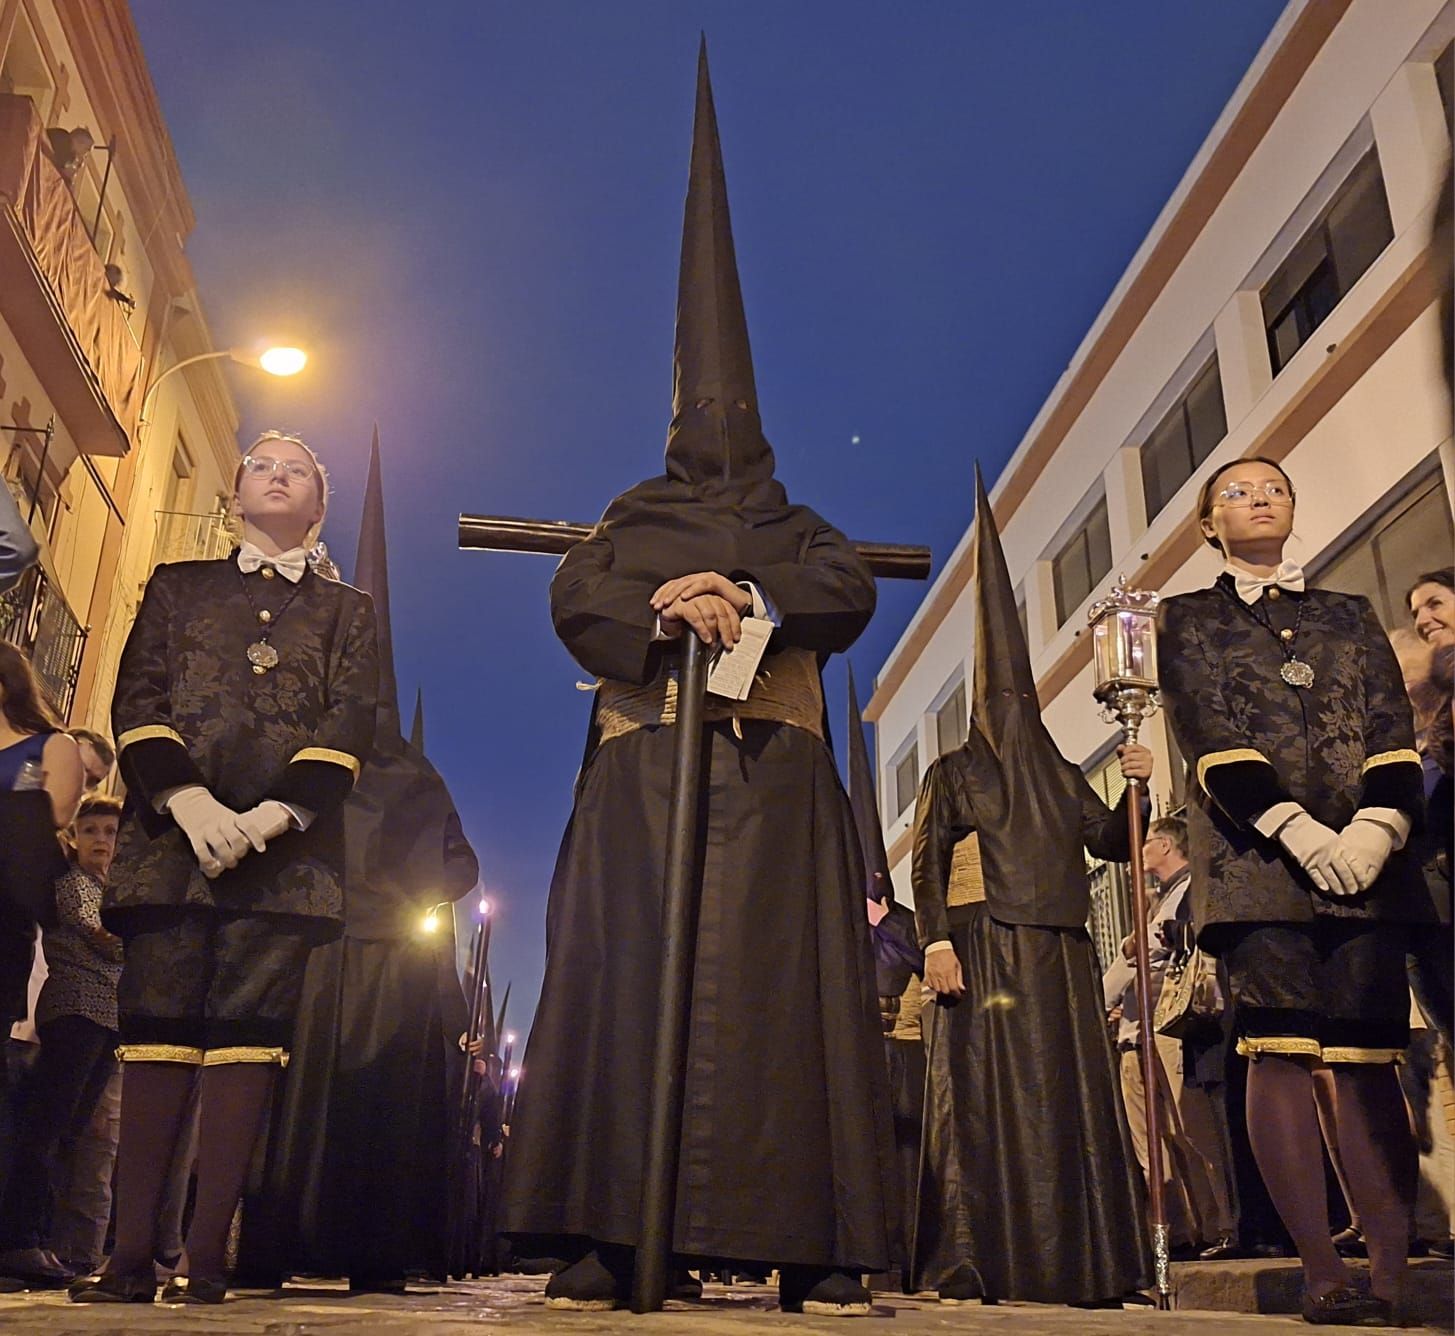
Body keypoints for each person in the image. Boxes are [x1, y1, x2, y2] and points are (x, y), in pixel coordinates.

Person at [501, 46, 894, 1316]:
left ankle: (812, 1239)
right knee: (626, 985)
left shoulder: (801, 522)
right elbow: (579, 598)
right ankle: (618, 1230)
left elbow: (842, 592)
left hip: (774, 786)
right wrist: (667, 605)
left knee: (787, 1006)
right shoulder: (627, 516)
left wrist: (752, 601)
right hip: (643, 787)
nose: (717, 431)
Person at [68, 431, 378, 1305]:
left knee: (246, 1046)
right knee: (157, 1035)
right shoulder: (176, 586)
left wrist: (273, 817)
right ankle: (128, 1259)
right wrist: (192, 805)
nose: (276, 476)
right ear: (235, 495)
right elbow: (140, 700)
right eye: (260, 466)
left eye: (297, 472)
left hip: (285, 865)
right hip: (172, 851)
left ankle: (208, 1261)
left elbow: (350, 721)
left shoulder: (349, 610)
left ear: (319, 506)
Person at [1157, 456, 1432, 1327]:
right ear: (1208, 525)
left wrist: (1376, 828)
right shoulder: (1186, 618)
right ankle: (1321, 1272)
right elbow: (1206, 732)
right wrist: (1295, 829)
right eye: (1233, 492)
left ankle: (1388, 1275)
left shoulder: (1348, 616)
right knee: (1279, 1052)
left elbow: (1392, 730)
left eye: (1272, 485)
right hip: (1256, 864)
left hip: (1366, 865)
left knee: (1367, 1059)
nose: (1258, 497)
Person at [909, 468, 1150, 1308]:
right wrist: (934, 941)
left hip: (1059, 954)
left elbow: (1113, 844)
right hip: (979, 950)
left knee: (1067, 1103)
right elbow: (927, 864)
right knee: (978, 1107)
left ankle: (1081, 1261)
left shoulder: (1056, 772)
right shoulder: (950, 770)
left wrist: (1136, 783)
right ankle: (976, 1257)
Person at [0, 795, 122, 1286]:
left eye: (110, 832)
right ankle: (21, 1237)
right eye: (90, 830)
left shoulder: (111, 887)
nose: (100, 840)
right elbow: (106, 939)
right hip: (74, 1011)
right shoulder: (75, 884)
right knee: (46, 1128)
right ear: (72, 838)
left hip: (105, 1017)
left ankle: (47, 1241)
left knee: (71, 1132)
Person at [1113, 817, 1239, 1259]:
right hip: (1142, 1027)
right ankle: (1198, 1227)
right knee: (1167, 1136)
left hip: (1172, 1021)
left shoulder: (1188, 892)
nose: (1140, 850)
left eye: (1146, 842)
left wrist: (1139, 943)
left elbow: (1160, 949)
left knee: (1196, 1129)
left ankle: (1225, 1223)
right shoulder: (1160, 898)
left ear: (1165, 845)